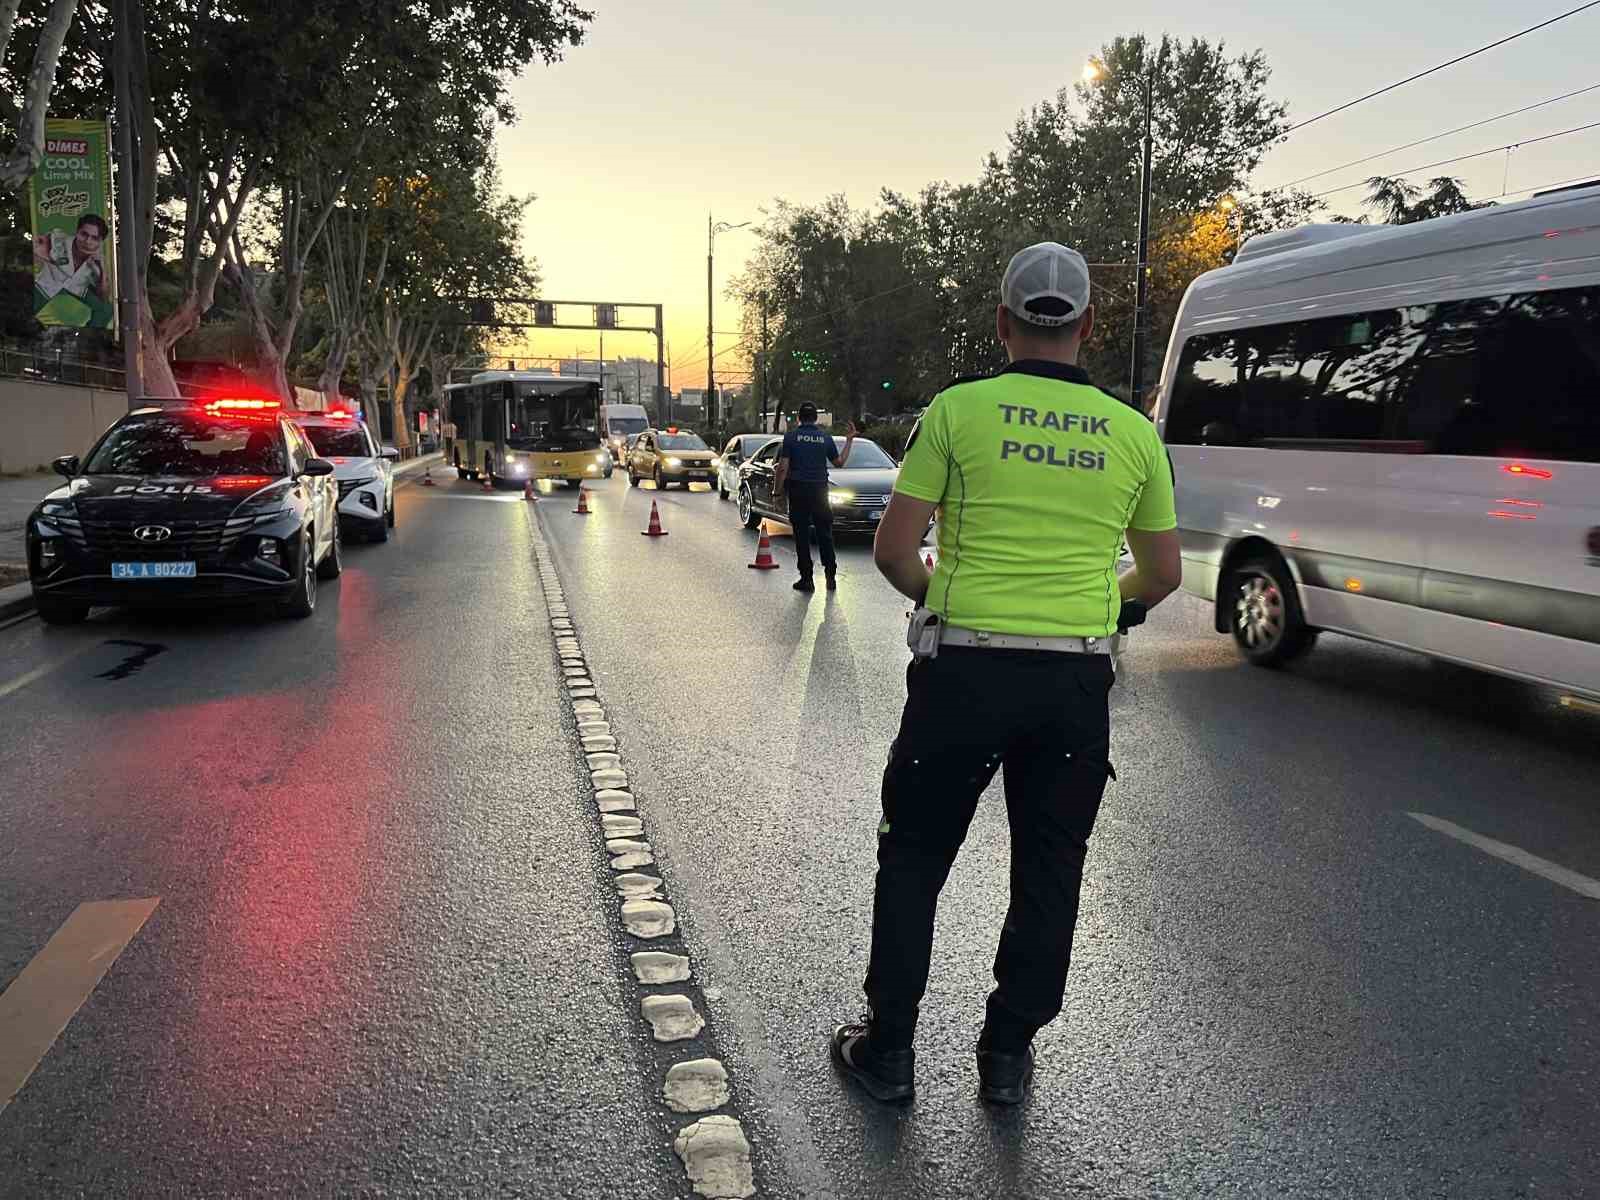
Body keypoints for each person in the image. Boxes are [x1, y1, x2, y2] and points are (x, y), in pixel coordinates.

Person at [830, 242, 1182, 1106]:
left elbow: (893, 548)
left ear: (1003, 322)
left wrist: (941, 602)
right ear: (1091, 326)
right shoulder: (1136, 433)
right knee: (1051, 869)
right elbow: (1163, 573)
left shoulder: (957, 412)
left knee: (914, 857)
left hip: (965, 675)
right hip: (1072, 687)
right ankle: (1008, 1056)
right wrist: (1109, 611)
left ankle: (890, 1053)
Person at [772, 402, 858, 593]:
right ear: (816, 419)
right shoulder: (825, 438)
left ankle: (807, 579)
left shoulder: (791, 438)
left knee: (801, 536)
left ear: (798, 418)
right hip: (820, 491)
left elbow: (783, 468)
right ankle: (830, 576)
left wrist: (777, 493)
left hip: (799, 491)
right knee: (825, 534)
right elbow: (839, 463)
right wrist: (849, 441)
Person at [33, 213, 109, 303]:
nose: (87, 241)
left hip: (68, 307)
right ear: (77, 232)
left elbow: (103, 297)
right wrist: (39, 255)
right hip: (40, 296)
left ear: (100, 242)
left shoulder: (98, 262)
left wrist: (102, 270)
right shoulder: (55, 241)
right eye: (84, 234)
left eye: (94, 238)